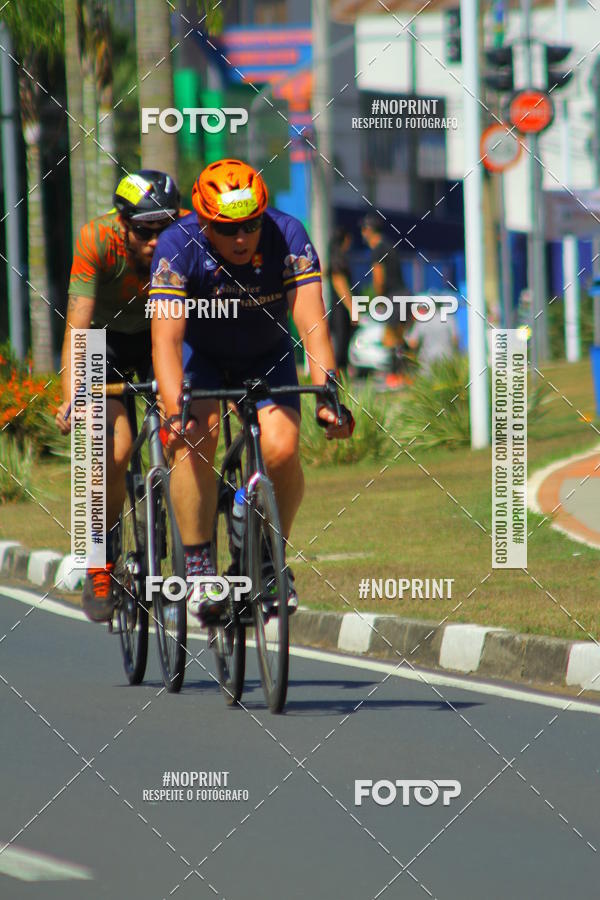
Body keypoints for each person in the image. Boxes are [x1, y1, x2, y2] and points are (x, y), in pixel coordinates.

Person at [149, 158, 354, 624]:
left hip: (266, 354)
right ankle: (199, 567)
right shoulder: (176, 244)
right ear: (204, 223)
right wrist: (174, 412)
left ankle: (266, 558)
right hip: (200, 356)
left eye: (251, 225)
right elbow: (166, 341)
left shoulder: (288, 235)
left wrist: (328, 395)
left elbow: (312, 324)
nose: (241, 238)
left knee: (282, 448)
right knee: (194, 436)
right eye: (227, 229)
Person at [55, 170, 185, 622]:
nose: (156, 241)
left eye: (165, 227)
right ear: (123, 223)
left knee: (185, 431)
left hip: (161, 335)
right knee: (112, 449)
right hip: (103, 342)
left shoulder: (189, 234)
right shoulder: (96, 239)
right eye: (145, 231)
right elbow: (78, 327)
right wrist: (73, 396)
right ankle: (100, 559)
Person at [360, 214, 410, 388]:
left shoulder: (378, 250)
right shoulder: (390, 246)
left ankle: (396, 375)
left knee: (389, 338)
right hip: (404, 294)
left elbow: (378, 278)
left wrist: (379, 299)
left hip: (394, 298)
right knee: (399, 337)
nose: (362, 233)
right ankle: (404, 373)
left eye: (364, 229)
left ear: (369, 231)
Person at [405, 301, 458, 374]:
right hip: (447, 357)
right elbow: (455, 339)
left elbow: (413, 343)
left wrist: (405, 336)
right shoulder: (449, 318)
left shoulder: (423, 320)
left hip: (428, 358)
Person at [328, 227, 355, 370]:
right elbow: (339, 283)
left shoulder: (334, 256)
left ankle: (340, 374)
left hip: (338, 308)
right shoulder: (338, 258)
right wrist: (352, 308)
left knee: (341, 345)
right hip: (340, 309)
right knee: (341, 347)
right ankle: (338, 377)